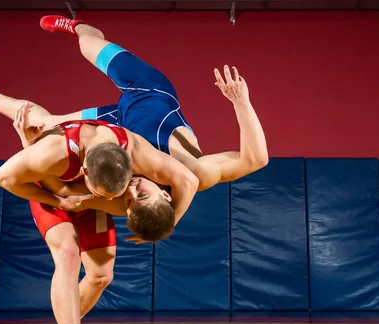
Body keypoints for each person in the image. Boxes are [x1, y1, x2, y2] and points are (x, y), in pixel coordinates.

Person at [0, 83, 199, 324]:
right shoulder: (52, 154)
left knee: (101, 276)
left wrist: (161, 226)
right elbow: (4, 178)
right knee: (67, 253)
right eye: (133, 196)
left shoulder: (140, 156)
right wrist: (58, 197)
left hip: (87, 191)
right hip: (49, 187)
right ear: (86, 174)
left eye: (131, 193)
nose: (133, 191)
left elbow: (188, 182)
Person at [35, 15, 269, 193]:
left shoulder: (123, 186)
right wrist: (242, 103)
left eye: (133, 198)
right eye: (142, 195)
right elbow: (255, 160)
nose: (135, 191)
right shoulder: (195, 172)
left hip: (120, 121)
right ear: (165, 196)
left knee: (44, 126)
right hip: (148, 90)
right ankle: (78, 26)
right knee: (87, 44)